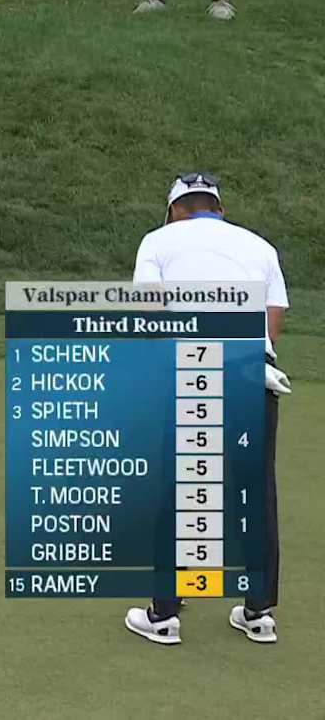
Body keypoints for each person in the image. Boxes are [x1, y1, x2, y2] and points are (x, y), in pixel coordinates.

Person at [124, 172, 289, 647]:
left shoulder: (158, 241)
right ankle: (258, 614)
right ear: (219, 207)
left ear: (176, 208)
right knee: (256, 492)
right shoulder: (259, 246)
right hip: (253, 375)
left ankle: (163, 616)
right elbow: (272, 324)